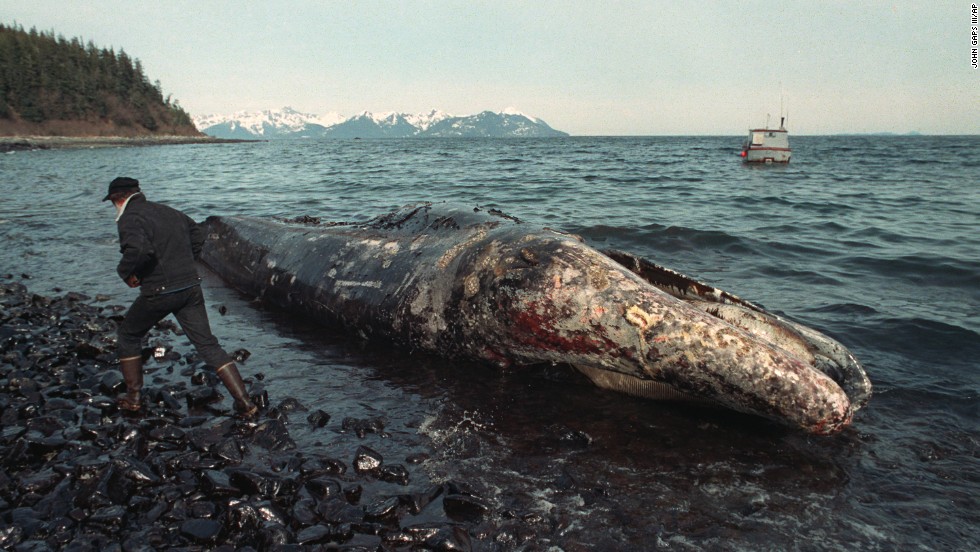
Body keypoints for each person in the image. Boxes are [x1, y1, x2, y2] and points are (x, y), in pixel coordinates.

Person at [103, 176, 258, 418]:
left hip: (159, 291)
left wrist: (127, 273)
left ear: (116, 199)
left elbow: (139, 251)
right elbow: (197, 235)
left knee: (128, 335)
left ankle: (133, 397)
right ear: (137, 192)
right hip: (190, 288)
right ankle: (245, 402)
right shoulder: (170, 211)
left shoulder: (129, 218)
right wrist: (187, 263)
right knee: (208, 344)